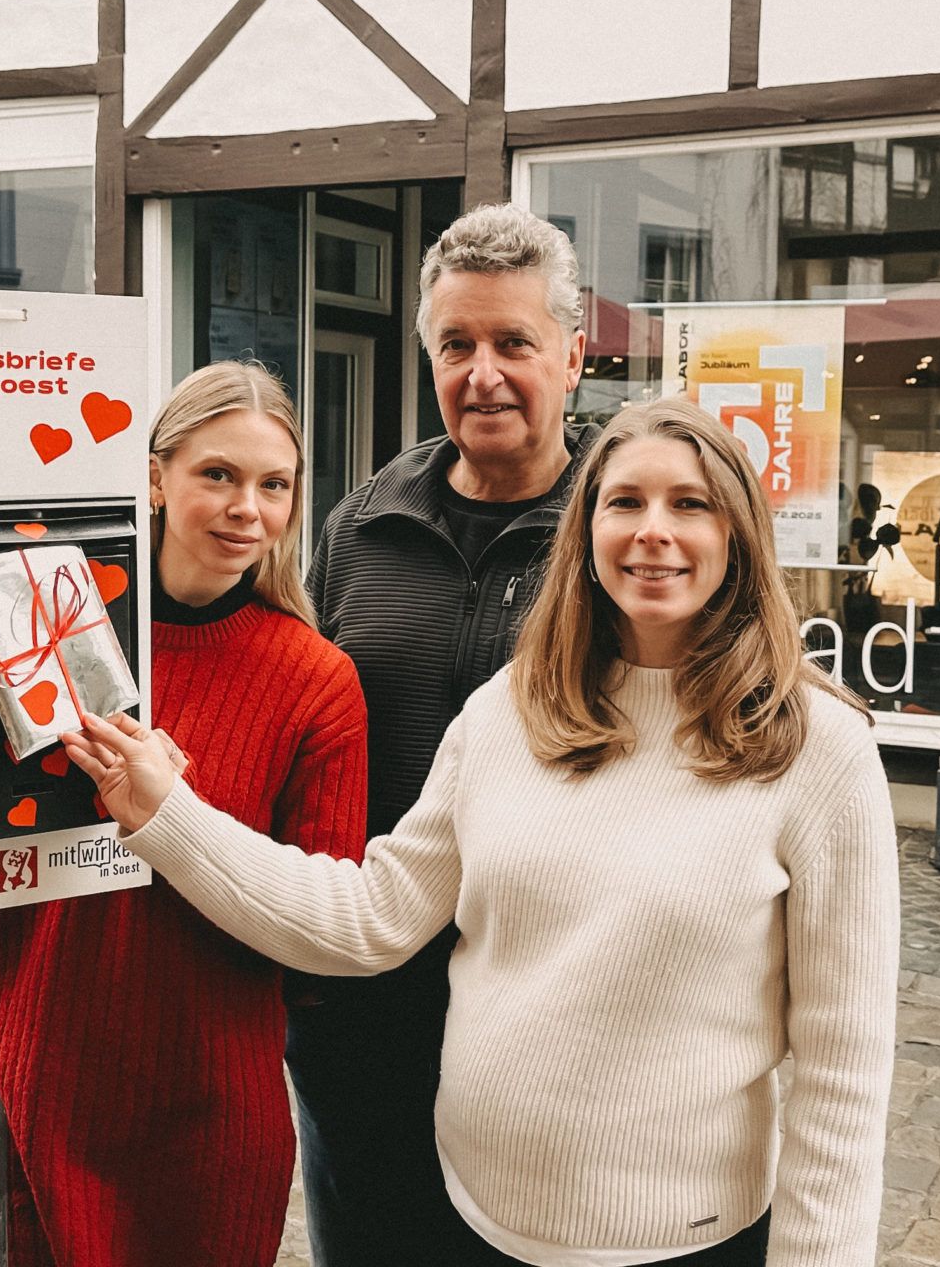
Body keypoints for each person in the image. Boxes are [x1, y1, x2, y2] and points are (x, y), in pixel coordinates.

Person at [70, 395, 902, 1266]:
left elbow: (843, 1072)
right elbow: (369, 917)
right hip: (470, 1222)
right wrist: (169, 816)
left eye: (689, 504)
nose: (653, 531)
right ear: (583, 533)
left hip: (681, 1246)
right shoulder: (509, 710)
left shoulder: (817, 749)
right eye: (623, 502)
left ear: (737, 535)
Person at [0, 361, 368, 1267]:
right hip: (37, 1067)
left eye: (274, 485)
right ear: (155, 477)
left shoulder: (316, 681)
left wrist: (186, 825)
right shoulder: (53, 627)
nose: (247, 509)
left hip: (207, 1101)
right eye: (218, 475)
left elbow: (321, 931)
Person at [295, 202, 600, 1263]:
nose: (482, 374)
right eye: (456, 345)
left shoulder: (626, 532)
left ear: (571, 353)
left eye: (512, 343)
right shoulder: (359, 528)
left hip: (548, 1004)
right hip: (365, 1014)